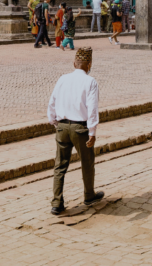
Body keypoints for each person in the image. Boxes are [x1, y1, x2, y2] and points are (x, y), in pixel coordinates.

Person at [47, 47, 104, 215]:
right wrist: (92, 132)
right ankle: (89, 195)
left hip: (62, 127)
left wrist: (53, 121)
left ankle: (57, 203)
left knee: (60, 165)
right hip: (80, 128)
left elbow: (52, 101)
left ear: (74, 63)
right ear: (89, 64)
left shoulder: (62, 79)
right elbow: (92, 108)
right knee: (87, 163)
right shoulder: (90, 81)